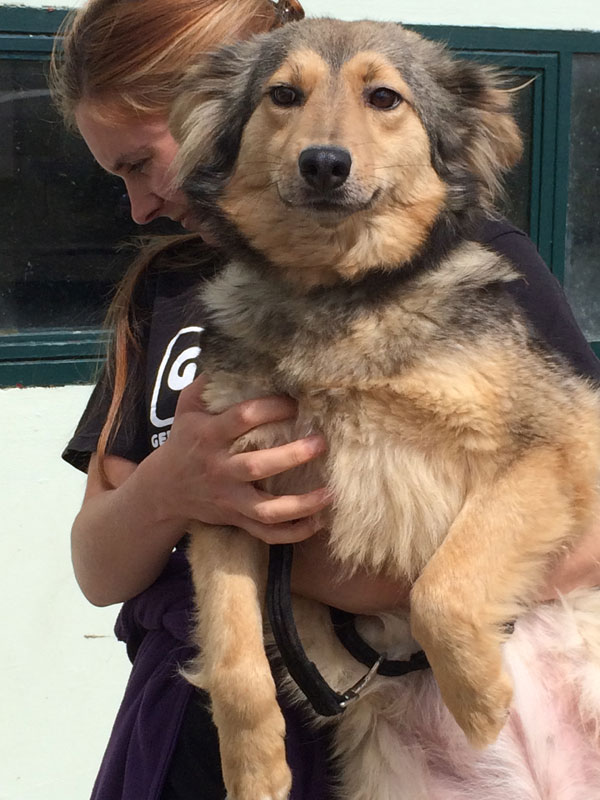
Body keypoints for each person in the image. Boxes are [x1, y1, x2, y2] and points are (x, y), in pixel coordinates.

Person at [51, 1, 600, 798]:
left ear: (204, 114)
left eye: (139, 163)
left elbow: (573, 491)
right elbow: (99, 566)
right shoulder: (167, 294)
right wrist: (174, 485)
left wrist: (352, 586)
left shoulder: (481, 268)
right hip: (197, 732)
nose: (138, 207)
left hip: (419, 718)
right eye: (287, 99)